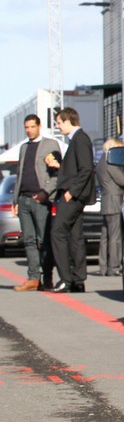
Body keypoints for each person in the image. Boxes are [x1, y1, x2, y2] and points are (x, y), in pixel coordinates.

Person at [11, 115, 61, 292]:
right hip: (24, 199)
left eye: (32, 126)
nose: (29, 130)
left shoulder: (50, 144)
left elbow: (57, 173)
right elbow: (19, 173)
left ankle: (47, 278)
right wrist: (15, 200)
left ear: (39, 126)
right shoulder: (24, 147)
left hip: (41, 200)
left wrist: (45, 192)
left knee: (44, 240)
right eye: (26, 127)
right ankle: (33, 278)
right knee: (29, 240)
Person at [49, 108, 96, 293]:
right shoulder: (77, 140)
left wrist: (72, 192)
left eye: (59, 123)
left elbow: (86, 169)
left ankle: (65, 279)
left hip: (74, 196)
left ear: (68, 121)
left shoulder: (80, 139)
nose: (58, 126)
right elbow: (76, 168)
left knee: (57, 232)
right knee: (75, 236)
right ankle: (78, 279)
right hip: (76, 195)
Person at [95, 137, 124, 276]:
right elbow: (122, 180)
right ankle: (114, 267)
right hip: (114, 201)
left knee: (105, 237)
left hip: (106, 201)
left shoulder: (101, 162)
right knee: (115, 236)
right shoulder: (110, 162)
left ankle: (103, 267)